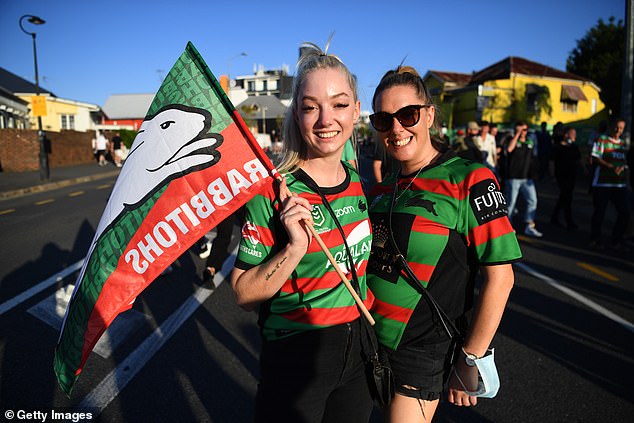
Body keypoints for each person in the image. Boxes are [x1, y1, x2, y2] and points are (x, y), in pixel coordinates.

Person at [367, 66, 521, 422]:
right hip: (368, 342)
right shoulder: (382, 187)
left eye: (407, 115)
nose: (396, 129)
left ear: (429, 114)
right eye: (383, 119)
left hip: (422, 348)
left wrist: (471, 358)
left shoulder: (470, 178)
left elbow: (501, 278)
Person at [230, 43, 374, 422]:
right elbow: (243, 294)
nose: (326, 119)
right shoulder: (274, 192)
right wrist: (294, 248)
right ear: (297, 115)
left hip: (360, 347)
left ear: (357, 111)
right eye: (311, 107)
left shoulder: (362, 183)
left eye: (340, 104)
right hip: (295, 353)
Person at [589, 117, 631, 250]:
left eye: (622, 128)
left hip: (619, 185)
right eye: (617, 127)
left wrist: (627, 182)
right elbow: (595, 158)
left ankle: (616, 240)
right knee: (600, 212)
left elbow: (624, 164)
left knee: (625, 211)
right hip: (603, 183)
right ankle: (595, 239)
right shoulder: (602, 140)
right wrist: (611, 167)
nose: (618, 130)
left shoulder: (622, 144)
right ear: (611, 126)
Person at [504, 121, 543, 237]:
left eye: (525, 130)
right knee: (511, 203)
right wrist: (517, 134)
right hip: (513, 177)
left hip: (527, 178)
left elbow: (534, 157)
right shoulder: (511, 140)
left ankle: (529, 226)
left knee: (532, 200)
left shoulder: (530, 141)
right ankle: (507, 228)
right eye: (520, 129)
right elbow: (509, 150)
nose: (523, 132)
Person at [550, 126, 581, 229]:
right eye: (572, 134)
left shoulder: (574, 147)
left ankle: (554, 216)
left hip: (572, 175)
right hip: (561, 175)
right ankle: (569, 221)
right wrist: (552, 175)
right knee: (567, 197)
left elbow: (578, 160)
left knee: (564, 197)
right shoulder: (557, 147)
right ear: (566, 135)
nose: (574, 136)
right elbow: (552, 162)